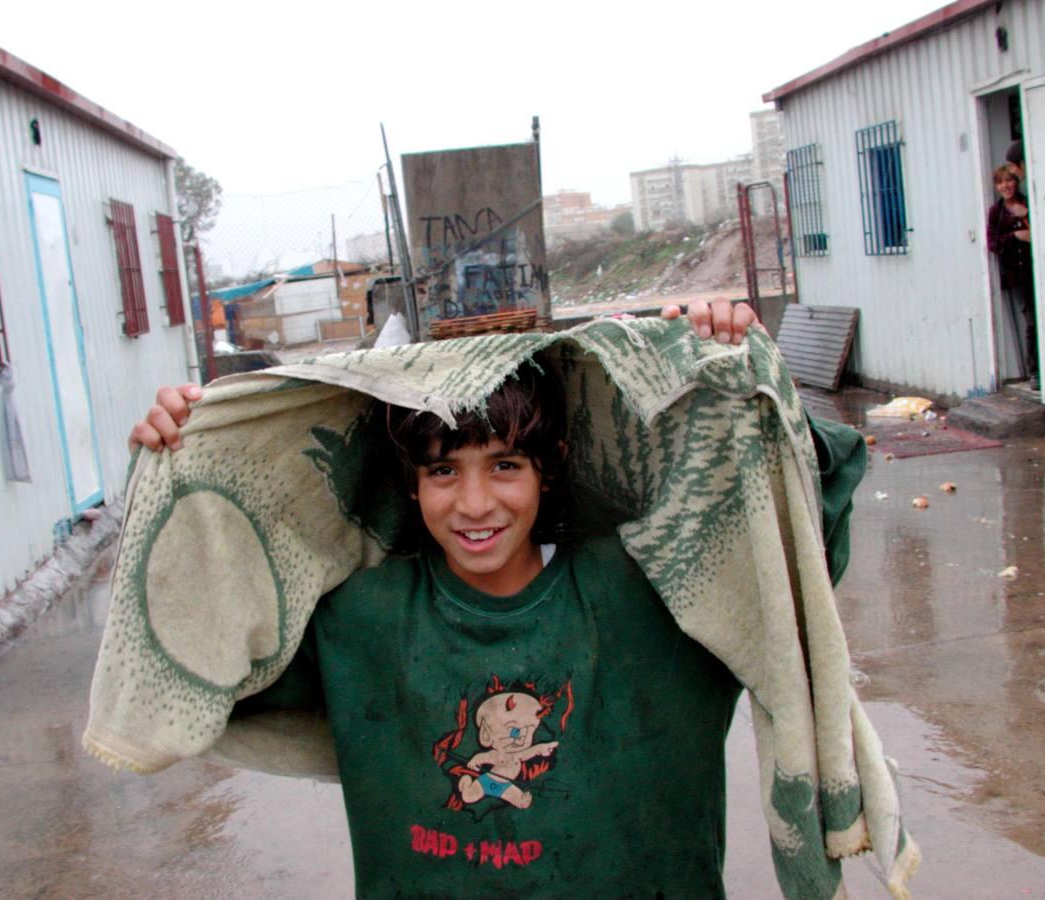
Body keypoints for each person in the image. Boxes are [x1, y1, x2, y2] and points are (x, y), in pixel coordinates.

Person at [128, 301, 864, 897]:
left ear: (551, 469)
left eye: (505, 464)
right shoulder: (361, 620)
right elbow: (205, 663)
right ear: (410, 484)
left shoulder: (652, 591)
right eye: (444, 471)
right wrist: (181, 471)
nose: (475, 504)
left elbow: (802, 523)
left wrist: (738, 366)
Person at [986, 163, 1038, 388]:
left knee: (1039, 319)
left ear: (1016, 182)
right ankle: (1035, 372)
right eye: (1001, 182)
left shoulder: (1029, 201)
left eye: (1009, 180)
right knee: (1031, 320)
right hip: (1016, 274)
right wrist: (1016, 236)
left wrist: (1027, 217)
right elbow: (992, 243)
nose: (1006, 185)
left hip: (1037, 268)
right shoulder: (996, 212)